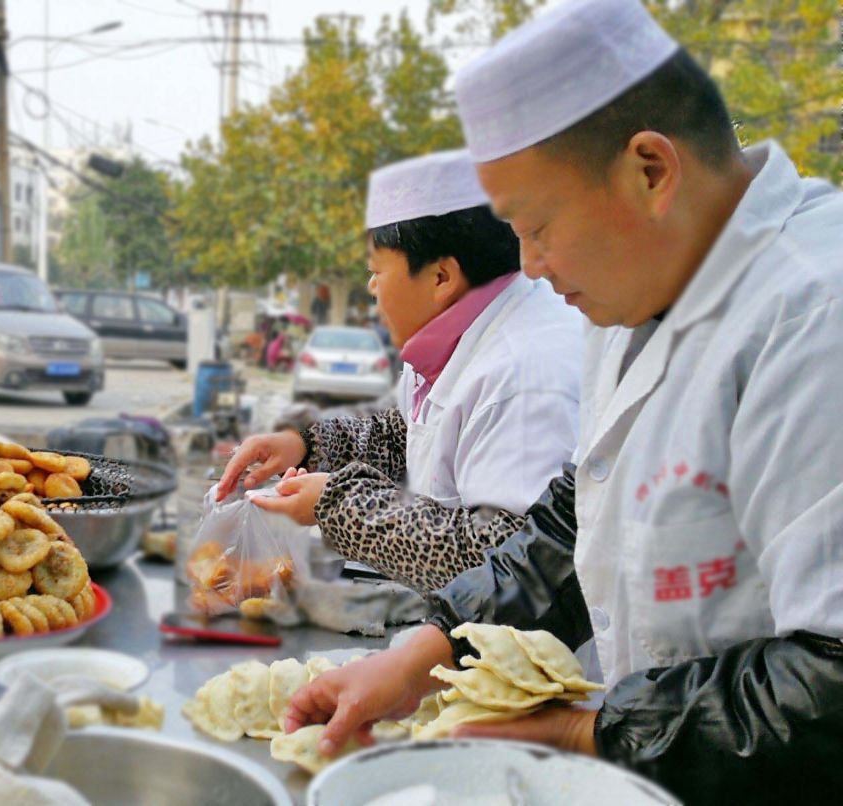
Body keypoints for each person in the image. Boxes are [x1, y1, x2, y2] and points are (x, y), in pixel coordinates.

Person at [285, 1, 843, 801]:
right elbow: (580, 519)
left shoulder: (817, 311)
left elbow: (829, 685)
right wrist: (431, 648)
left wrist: (590, 730)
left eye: (537, 225)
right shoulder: (636, 296)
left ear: (650, 170)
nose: (530, 265)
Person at [218, 149, 583, 591]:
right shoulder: (458, 335)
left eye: (377, 271)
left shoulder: (524, 374)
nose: (372, 288)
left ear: (441, 278)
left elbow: (509, 561)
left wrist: (339, 507)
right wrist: (302, 444)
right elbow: (409, 434)